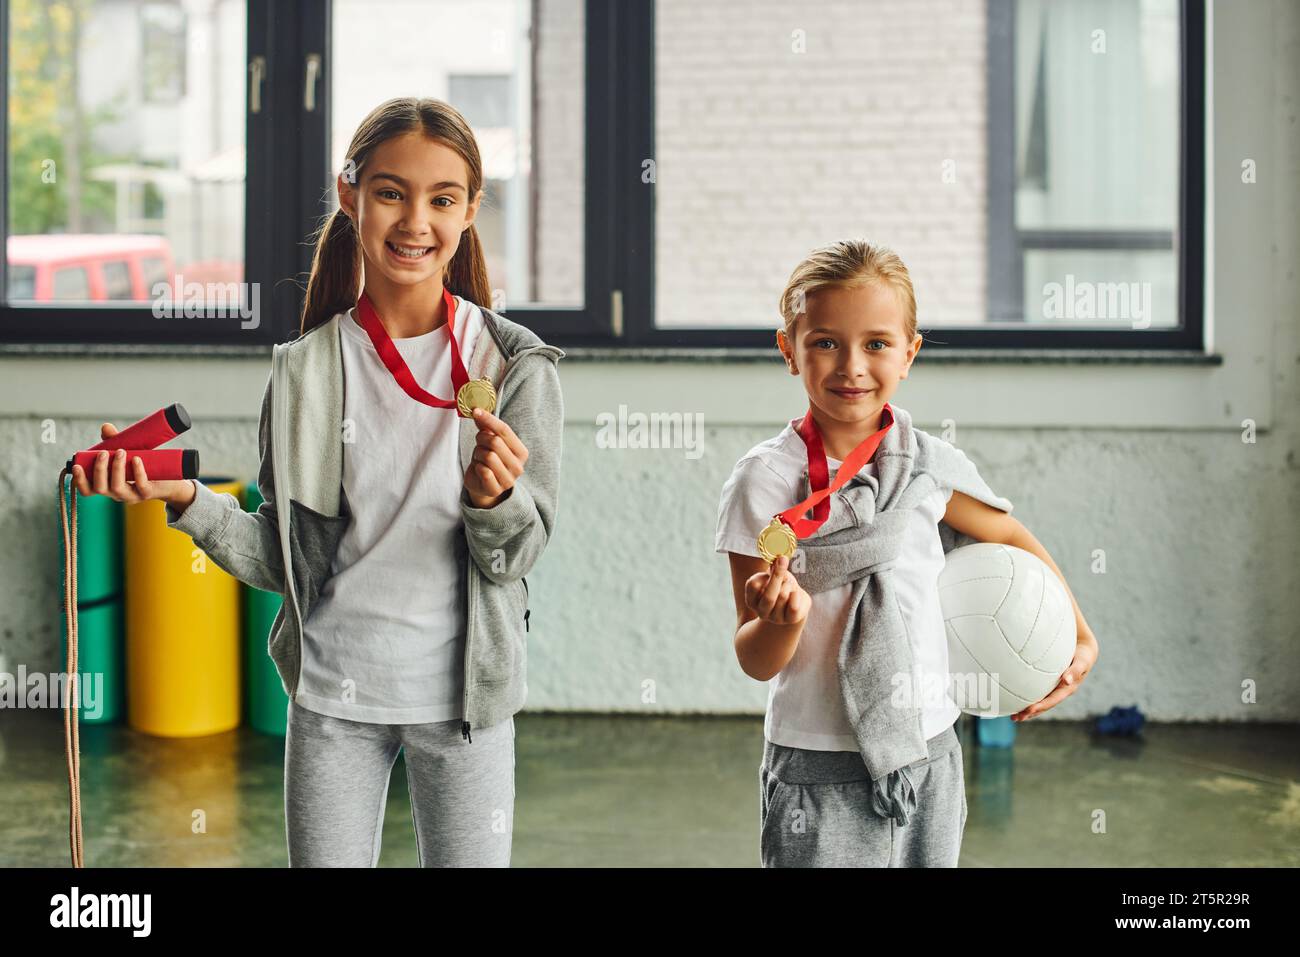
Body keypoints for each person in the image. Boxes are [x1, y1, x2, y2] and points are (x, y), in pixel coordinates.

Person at [71, 97, 565, 867]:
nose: (414, 222)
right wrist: (185, 500)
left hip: (465, 707)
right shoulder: (303, 371)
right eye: (391, 192)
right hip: (334, 699)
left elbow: (514, 559)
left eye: (442, 199)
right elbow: (282, 557)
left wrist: (491, 501)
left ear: (470, 210)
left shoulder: (517, 368)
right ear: (351, 195)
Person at [714, 239, 1098, 867]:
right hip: (817, 762)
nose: (852, 366)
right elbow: (754, 658)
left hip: (929, 751)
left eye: (877, 343)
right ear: (789, 349)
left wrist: (1081, 635)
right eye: (826, 342)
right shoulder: (764, 481)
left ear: (910, 352)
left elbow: (1010, 536)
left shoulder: (932, 468)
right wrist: (782, 624)